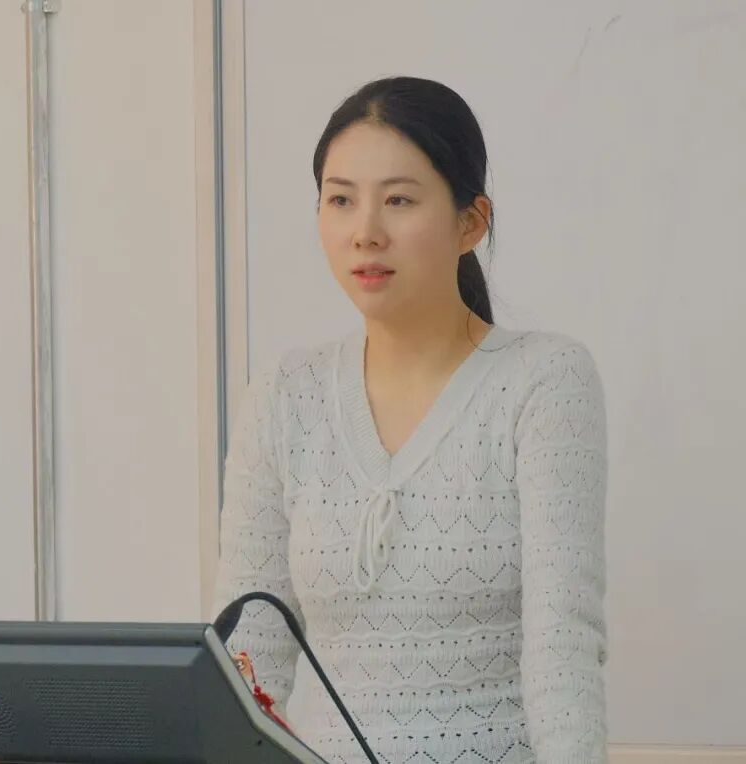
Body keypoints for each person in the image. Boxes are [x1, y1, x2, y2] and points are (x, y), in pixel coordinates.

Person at [211, 76, 608, 763]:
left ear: (470, 223)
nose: (365, 232)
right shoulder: (283, 395)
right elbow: (249, 658)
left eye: (398, 200)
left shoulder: (544, 380)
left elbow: (562, 647)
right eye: (340, 200)